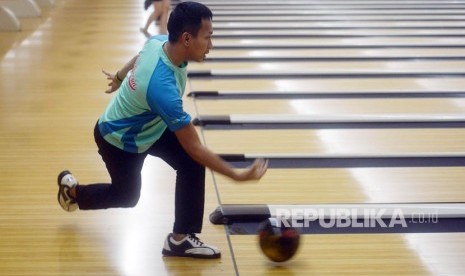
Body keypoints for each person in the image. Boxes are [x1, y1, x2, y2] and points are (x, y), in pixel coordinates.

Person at [57, 1, 268, 259]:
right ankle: (74, 193)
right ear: (187, 38)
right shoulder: (162, 89)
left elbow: (139, 56)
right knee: (127, 196)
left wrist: (120, 77)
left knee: (190, 163)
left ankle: (180, 239)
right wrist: (237, 176)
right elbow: (195, 146)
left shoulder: (159, 43)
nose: (211, 46)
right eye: (208, 38)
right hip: (119, 141)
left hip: (149, 127)